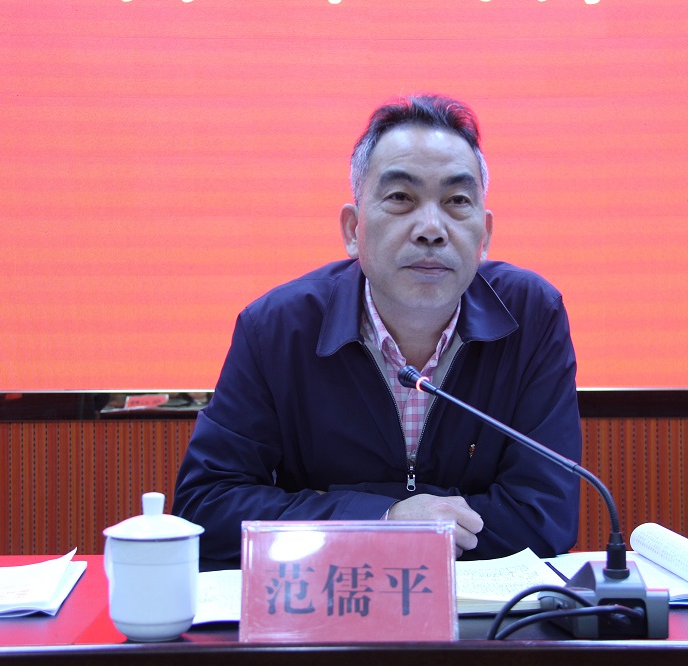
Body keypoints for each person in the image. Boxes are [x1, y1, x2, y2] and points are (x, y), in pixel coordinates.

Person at [173, 94, 581, 569]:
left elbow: (546, 516)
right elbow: (207, 509)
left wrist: (375, 524)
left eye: (457, 201)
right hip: (330, 605)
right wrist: (381, 520)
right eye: (401, 198)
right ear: (353, 229)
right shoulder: (277, 329)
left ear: (484, 235)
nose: (431, 228)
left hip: (481, 611)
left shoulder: (531, 316)